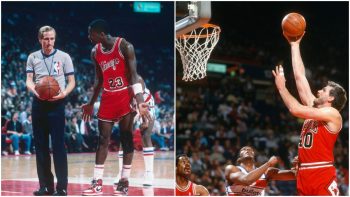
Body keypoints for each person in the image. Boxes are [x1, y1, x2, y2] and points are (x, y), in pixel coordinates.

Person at [273, 32, 347, 196]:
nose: (319, 90)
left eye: (324, 90)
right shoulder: (316, 109)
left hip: (321, 174)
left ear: (331, 98)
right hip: (304, 174)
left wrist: (282, 88)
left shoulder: (333, 113)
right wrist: (295, 45)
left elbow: (295, 110)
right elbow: (300, 77)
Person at [82, 19, 150, 196]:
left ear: (101, 34)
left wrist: (140, 100)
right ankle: (97, 184)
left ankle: (124, 181)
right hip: (108, 96)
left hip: (125, 95)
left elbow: (134, 77)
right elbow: (98, 80)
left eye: (91, 33)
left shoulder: (124, 46)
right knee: (102, 139)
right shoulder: (94, 52)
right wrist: (90, 103)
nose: (89, 37)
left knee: (126, 138)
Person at [26, 25, 76, 196]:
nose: (49, 42)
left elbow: (71, 82)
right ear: (40, 39)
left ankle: (61, 187)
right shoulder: (32, 57)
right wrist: (36, 91)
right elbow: (29, 80)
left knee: (58, 146)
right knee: (40, 147)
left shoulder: (64, 57)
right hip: (39, 104)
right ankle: (46, 186)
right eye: (46, 39)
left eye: (52, 38)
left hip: (57, 104)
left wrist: (64, 93)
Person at [114, 75, 156, 187]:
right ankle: (121, 173)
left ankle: (149, 173)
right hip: (131, 106)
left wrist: (145, 121)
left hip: (145, 103)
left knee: (145, 135)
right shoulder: (118, 81)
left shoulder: (137, 79)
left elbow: (141, 102)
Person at [225, 146, 296, 196]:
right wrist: (268, 163)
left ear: (254, 156)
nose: (247, 150)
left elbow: (294, 175)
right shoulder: (231, 169)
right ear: (239, 159)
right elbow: (246, 180)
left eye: (250, 150)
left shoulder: (266, 173)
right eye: (244, 149)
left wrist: (299, 165)